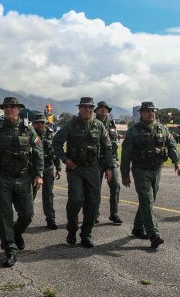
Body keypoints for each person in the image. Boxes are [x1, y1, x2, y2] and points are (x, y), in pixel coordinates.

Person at [0, 97, 44, 268]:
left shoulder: (28, 129)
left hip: (24, 178)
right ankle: (10, 250)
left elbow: (38, 152)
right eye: (6, 107)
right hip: (3, 178)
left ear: (19, 109)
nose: (8, 109)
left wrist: (39, 174)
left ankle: (16, 233)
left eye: (12, 107)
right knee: (4, 215)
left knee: (28, 214)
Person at [53, 97, 115, 248]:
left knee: (93, 202)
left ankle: (86, 234)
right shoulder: (71, 125)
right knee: (75, 200)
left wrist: (109, 167)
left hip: (93, 168)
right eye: (84, 107)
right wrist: (65, 160)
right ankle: (72, 229)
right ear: (79, 108)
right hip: (75, 168)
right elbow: (56, 143)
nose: (87, 110)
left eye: (90, 107)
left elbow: (107, 147)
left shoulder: (99, 125)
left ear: (93, 109)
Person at [121, 101, 180, 248]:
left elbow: (171, 145)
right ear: (141, 113)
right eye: (147, 111)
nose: (151, 113)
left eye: (152, 111)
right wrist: (125, 174)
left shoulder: (162, 129)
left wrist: (177, 162)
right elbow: (126, 154)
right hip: (140, 170)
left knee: (148, 200)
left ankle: (138, 228)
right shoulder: (133, 131)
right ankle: (154, 234)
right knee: (147, 200)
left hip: (157, 170)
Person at [31, 111, 62, 229]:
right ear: (34, 124)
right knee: (30, 195)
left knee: (48, 195)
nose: (40, 125)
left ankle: (50, 219)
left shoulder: (50, 135)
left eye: (42, 123)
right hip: (33, 170)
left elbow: (55, 152)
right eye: (38, 123)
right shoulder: (29, 135)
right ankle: (25, 217)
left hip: (48, 168)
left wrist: (58, 168)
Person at [94, 101, 122, 225]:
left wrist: (116, 159)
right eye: (101, 108)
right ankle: (94, 214)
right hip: (96, 160)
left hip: (111, 159)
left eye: (105, 108)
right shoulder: (93, 123)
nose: (103, 109)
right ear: (96, 110)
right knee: (95, 189)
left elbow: (114, 143)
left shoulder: (112, 123)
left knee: (116, 186)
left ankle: (114, 214)